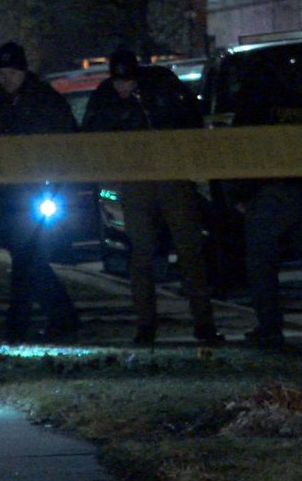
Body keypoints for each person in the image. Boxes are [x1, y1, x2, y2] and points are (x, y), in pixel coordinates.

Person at [82, 47, 223, 346]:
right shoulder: (117, 95)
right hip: (140, 179)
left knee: (186, 251)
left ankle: (201, 324)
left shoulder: (158, 87)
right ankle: (149, 325)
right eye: (119, 82)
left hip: (168, 176)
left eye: (127, 82)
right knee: (145, 254)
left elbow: (188, 120)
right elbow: (93, 131)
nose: (122, 87)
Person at [226, 59, 302, 357]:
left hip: (270, 193)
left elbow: (239, 152)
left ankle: (270, 328)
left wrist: (239, 195)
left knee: (262, 262)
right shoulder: (301, 103)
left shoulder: (252, 107)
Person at [0, 41, 82, 343]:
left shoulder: (43, 100)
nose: (6, 77)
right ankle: (56, 317)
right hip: (10, 190)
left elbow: (65, 138)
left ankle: (24, 322)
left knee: (27, 258)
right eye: (2, 72)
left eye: (11, 71)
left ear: (23, 71)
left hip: (35, 188)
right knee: (26, 258)